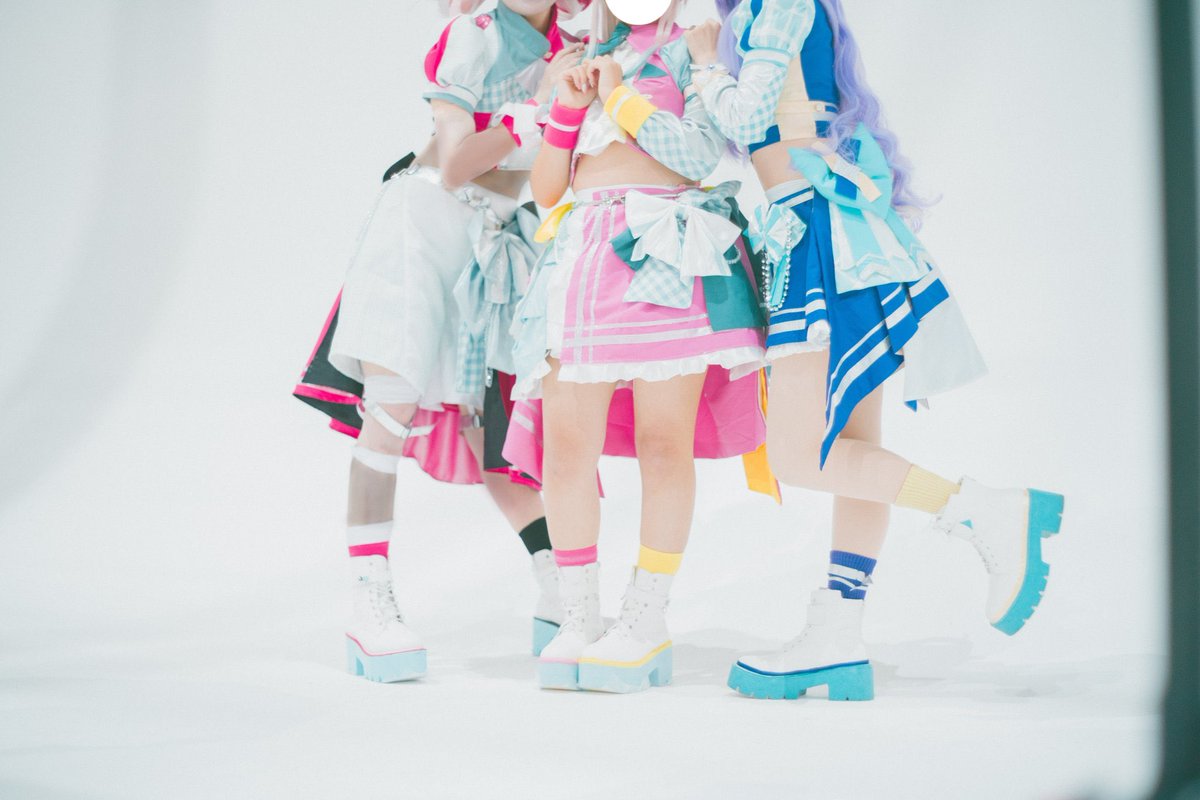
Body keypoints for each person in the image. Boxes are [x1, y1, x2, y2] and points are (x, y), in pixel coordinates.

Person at [681, 0, 1065, 701]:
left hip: (819, 239)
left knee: (799, 454)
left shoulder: (777, 5)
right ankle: (838, 634)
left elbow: (745, 115)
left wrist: (706, 66)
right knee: (854, 451)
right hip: (823, 231)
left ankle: (982, 509)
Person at [292, 0, 588, 683]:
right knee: (389, 411)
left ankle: (557, 589)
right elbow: (455, 166)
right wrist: (531, 108)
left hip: (496, 241)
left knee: (497, 429)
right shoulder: (473, 34)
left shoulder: (575, 44)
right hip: (423, 228)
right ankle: (370, 602)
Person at [506, 0, 768, 693]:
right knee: (566, 447)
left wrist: (618, 94)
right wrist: (569, 106)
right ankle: (579, 619)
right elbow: (546, 189)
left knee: (662, 444)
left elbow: (698, 155)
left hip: (664, 246)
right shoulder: (585, 55)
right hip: (583, 250)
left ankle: (645, 621)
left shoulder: (694, 47)